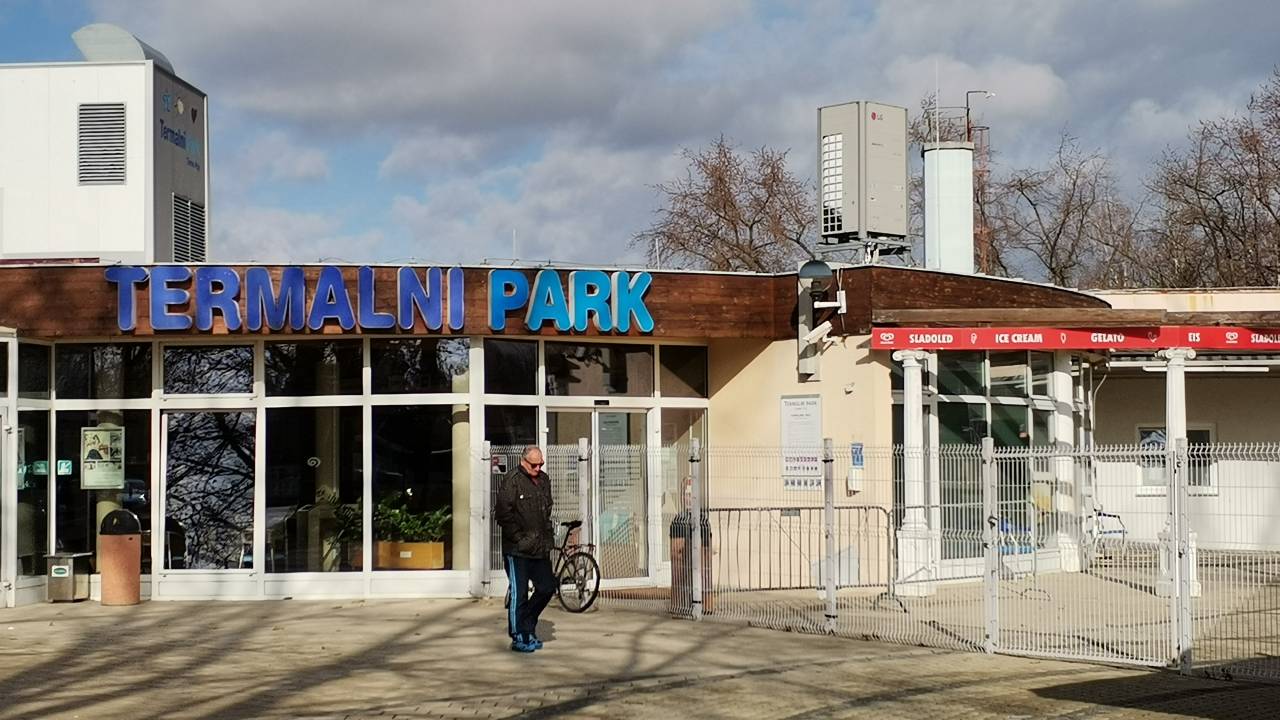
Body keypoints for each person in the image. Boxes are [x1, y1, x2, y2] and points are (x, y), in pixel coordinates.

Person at [495, 445, 556, 653]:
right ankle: (518, 635)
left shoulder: (544, 480)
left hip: (540, 548)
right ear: (523, 461)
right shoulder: (512, 480)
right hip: (517, 550)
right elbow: (503, 514)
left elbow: (546, 511)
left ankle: (527, 624)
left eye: (541, 464)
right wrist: (519, 539)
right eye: (534, 465)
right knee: (519, 593)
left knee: (547, 587)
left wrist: (547, 537)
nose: (538, 468)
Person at [669, 476, 714, 617]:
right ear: (681, 497)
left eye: (691, 495)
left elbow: (706, 553)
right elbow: (676, 553)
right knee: (679, 571)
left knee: (704, 572)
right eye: (685, 494)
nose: (688, 499)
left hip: (700, 577)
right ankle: (679, 604)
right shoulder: (678, 521)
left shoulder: (703, 521)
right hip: (682, 584)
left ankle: (704, 605)